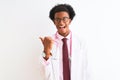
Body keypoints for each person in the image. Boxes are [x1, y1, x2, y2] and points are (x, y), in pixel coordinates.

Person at [39, 4, 88, 80]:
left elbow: (86, 69)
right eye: (57, 19)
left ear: (70, 21)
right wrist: (46, 51)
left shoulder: (80, 42)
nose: (61, 23)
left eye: (64, 19)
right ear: (54, 22)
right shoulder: (48, 42)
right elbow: (44, 73)